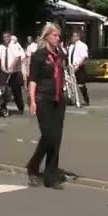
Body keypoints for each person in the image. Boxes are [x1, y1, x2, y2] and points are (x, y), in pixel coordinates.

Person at [25, 23, 68, 189]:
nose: (58, 38)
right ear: (47, 37)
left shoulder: (60, 54)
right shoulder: (39, 55)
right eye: (55, 35)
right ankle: (33, 166)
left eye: (59, 36)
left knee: (56, 138)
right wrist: (32, 100)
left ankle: (51, 175)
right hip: (43, 98)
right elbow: (33, 79)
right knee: (48, 135)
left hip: (58, 99)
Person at [0, 31, 26, 114]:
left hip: (14, 72)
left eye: (7, 37)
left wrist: (11, 67)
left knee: (16, 90)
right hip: (4, 71)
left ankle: (20, 107)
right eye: (4, 37)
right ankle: (3, 107)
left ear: (10, 37)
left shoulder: (14, 45)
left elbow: (17, 57)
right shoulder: (1, 47)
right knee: (3, 89)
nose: (6, 39)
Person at [66, 31, 89, 106]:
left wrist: (78, 66)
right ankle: (72, 99)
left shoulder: (82, 45)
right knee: (70, 85)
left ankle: (85, 99)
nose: (72, 38)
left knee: (81, 84)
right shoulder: (71, 46)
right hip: (71, 67)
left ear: (78, 37)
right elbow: (69, 57)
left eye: (74, 36)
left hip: (79, 67)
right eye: (72, 36)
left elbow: (84, 57)